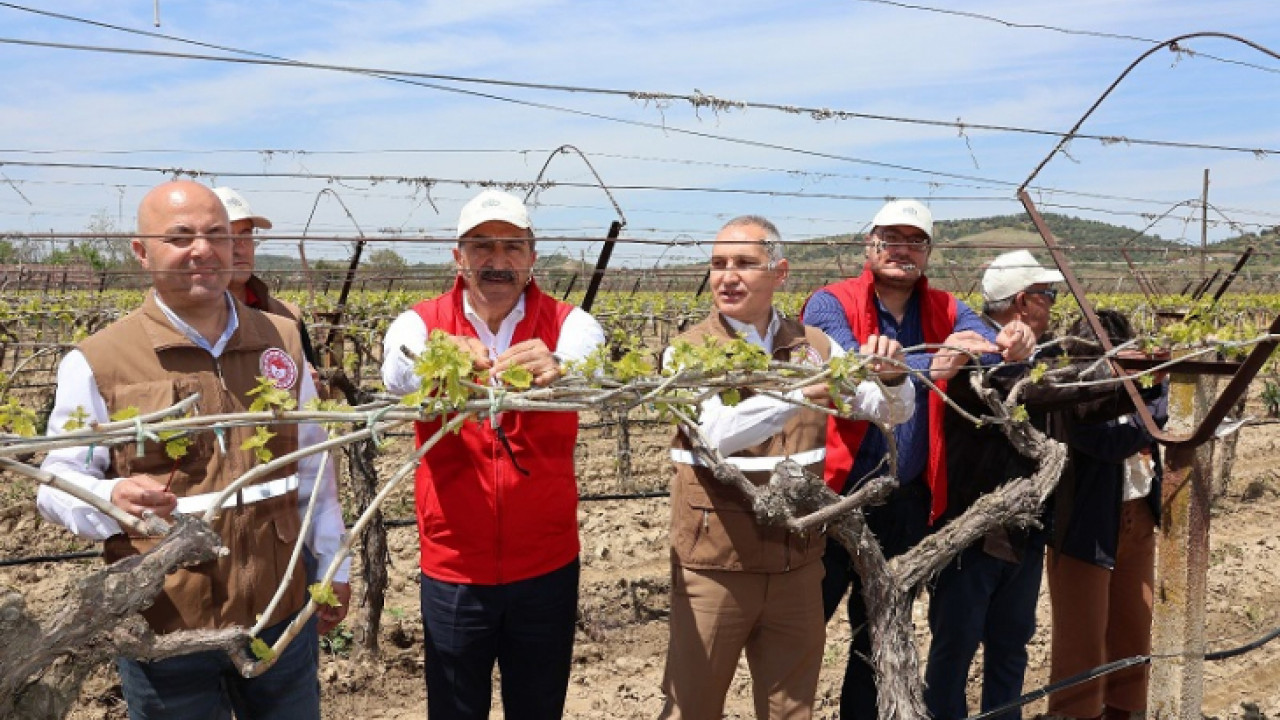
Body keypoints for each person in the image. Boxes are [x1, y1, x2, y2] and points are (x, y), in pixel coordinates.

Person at [36, 180, 350, 719]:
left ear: (233, 246)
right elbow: (56, 480)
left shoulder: (282, 340)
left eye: (216, 235)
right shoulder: (97, 362)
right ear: (142, 251)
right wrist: (111, 495)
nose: (201, 250)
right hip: (165, 624)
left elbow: (313, 464)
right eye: (180, 237)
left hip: (279, 611)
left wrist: (333, 566)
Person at [658, 216, 916, 720]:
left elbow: (889, 411)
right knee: (693, 707)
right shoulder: (684, 351)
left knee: (791, 710)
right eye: (718, 264)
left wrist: (894, 377)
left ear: (779, 273)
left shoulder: (816, 346)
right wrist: (800, 394)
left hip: (797, 566)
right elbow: (716, 431)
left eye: (744, 263)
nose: (727, 276)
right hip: (714, 568)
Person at [801, 201, 1035, 720]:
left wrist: (1018, 339)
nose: (903, 249)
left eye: (915, 241)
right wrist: (939, 360)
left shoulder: (948, 307)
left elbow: (990, 346)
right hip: (834, 496)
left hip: (907, 502)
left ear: (928, 252)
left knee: (879, 636)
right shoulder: (828, 302)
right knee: (802, 631)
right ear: (870, 245)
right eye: (891, 238)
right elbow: (853, 365)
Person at [380, 189, 605, 719]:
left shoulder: (568, 323)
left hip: (546, 564)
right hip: (454, 566)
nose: (497, 260)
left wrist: (561, 366)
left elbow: (593, 362)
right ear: (458, 258)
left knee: (538, 706)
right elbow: (396, 373)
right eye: (481, 246)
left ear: (531, 259)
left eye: (512, 246)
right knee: (455, 709)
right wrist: (439, 360)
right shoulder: (420, 323)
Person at [923, 253, 1156, 720]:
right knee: (956, 648)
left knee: (1011, 649)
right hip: (973, 531)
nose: (1052, 306)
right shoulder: (975, 352)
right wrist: (1134, 381)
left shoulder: (1042, 354)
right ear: (1024, 301)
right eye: (1048, 295)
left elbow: (1079, 407)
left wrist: (1144, 385)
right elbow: (1039, 392)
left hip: (1027, 530)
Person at [1045, 311, 1165, 720]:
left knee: (1134, 630)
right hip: (1086, 526)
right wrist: (1156, 410)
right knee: (1082, 640)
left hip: (1137, 521)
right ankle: (1075, 715)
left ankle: (1125, 712)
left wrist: (1151, 405)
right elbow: (1111, 442)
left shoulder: (1137, 391)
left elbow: (1145, 427)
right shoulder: (1070, 394)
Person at [212, 186, 320, 368]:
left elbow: (315, 391)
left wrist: (316, 386)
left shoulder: (288, 316)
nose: (240, 248)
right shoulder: (191, 320)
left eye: (245, 234)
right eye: (226, 237)